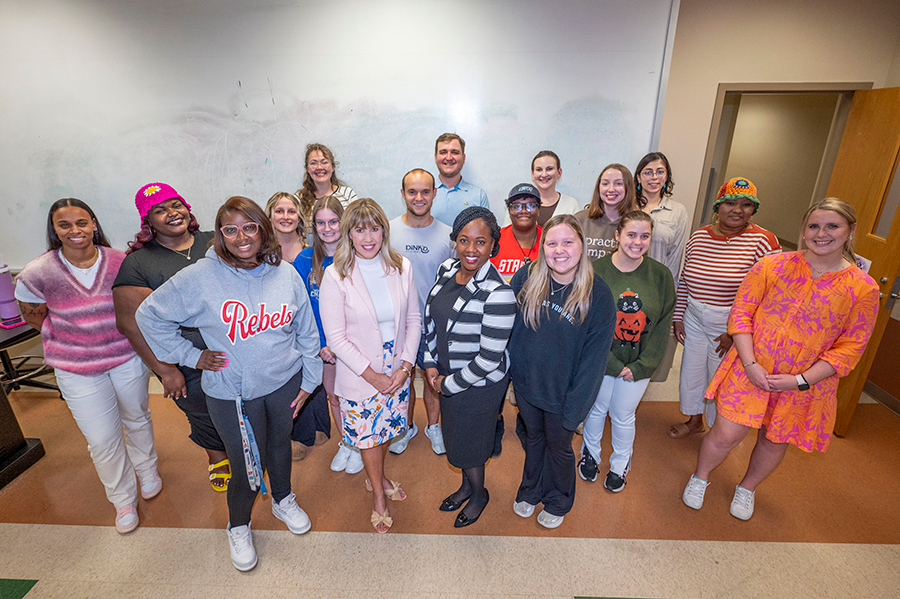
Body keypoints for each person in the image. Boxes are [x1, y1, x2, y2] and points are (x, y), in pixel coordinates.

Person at [136, 196, 322, 571]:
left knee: (278, 447)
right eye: (231, 229)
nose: (242, 237)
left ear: (263, 229)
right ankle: (238, 525)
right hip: (231, 394)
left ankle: (283, 498)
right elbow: (149, 315)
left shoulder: (285, 274)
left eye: (250, 226)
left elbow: (306, 332)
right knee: (245, 466)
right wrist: (191, 356)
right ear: (220, 235)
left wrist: (311, 379)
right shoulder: (200, 277)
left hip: (284, 384)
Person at [682, 198, 878, 521]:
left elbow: (850, 348)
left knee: (773, 440)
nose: (821, 233)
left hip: (803, 384)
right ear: (803, 230)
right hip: (750, 367)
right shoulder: (772, 265)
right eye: (814, 226)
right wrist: (750, 364)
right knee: (726, 433)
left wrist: (800, 381)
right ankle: (700, 476)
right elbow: (741, 314)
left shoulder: (863, 288)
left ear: (850, 231)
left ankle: (747, 488)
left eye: (832, 226)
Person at [15, 199, 159, 534]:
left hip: (125, 356)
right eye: (65, 225)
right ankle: (122, 498)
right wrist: (78, 340)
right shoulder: (38, 272)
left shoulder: (121, 262)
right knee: (101, 437)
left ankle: (147, 468)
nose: (75, 231)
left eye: (82, 223)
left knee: (136, 415)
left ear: (94, 224)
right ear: (55, 230)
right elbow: (33, 315)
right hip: (76, 368)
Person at [113, 183, 229, 492]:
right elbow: (131, 325)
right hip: (184, 358)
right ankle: (217, 457)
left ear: (187, 209)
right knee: (201, 410)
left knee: (239, 406)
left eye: (175, 205)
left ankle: (246, 453)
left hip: (232, 346)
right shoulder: (138, 263)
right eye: (160, 210)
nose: (171, 213)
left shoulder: (214, 242)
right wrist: (165, 370)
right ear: (147, 221)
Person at [319, 198, 421, 534]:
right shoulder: (335, 275)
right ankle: (379, 493)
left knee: (385, 434)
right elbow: (336, 337)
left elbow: (413, 319)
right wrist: (373, 375)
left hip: (396, 371)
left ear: (383, 230)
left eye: (374, 228)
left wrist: (405, 367)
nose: (367, 237)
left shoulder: (401, 266)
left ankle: (377, 475)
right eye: (359, 229)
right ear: (348, 234)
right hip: (361, 374)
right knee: (367, 438)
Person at [509, 215, 616, 528]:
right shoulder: (527, 277)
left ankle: (558, 499)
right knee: (533, 440)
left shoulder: (598, 295)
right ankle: (530, 489)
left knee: (558, 447)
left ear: (582, 246)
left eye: (568, 242)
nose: (559, 250)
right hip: (528, 386)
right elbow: (509, 328)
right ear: (543, 248)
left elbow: (595, 360)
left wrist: (575, 407)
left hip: (565, 393)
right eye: (552, 243)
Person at [422, 206, 516, 528]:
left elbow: (489, 359)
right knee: (456, 438)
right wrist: (431, 363)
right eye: (463, 240)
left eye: (480, 242)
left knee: (471, 444)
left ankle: (479, 495)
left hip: (479, 385)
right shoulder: (447, 269)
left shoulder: (499, 293)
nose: (471, 249)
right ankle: (466, 486)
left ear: (493, 245)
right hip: (446, 374)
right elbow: (432, 320)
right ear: (455, 242)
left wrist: (445, 385)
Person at [668, 178, 781, 439]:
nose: (737, 209)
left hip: (731, 323)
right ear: (718, 206)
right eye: (730, 202)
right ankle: (695, 420)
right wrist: (679, 317)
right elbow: (685, 279)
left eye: (746, 204)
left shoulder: (764, 241)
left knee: (722, 379)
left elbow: (771, 296)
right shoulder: (698, 236)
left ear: (754, 209)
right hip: (694, 317)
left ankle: (720, 433)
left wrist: (737, 333)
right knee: (692, 374)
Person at [579, 211, 676, 492]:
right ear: (617, 235)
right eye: (631, 235)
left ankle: (620, 465)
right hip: (601, 360)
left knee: (623, 414)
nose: (638, 242)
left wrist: (642, 366)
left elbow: (661, 326)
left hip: (638, 364)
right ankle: (590, 455)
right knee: (596, 409)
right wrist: (608, 362)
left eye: (645, 236)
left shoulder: (660, 276)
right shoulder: (596, 271)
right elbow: (587, 323)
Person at [293, 196, 364, 474]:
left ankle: (360, 443)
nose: (327, 228)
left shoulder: (358, 255)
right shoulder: (305, 259)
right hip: (321, 347)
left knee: (355, 396)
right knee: (333, 396)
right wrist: (322, 344)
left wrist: (340, 345)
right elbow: (302, 309)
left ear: (343, 222)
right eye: (320, 223)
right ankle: (347, 442)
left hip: (353, 344)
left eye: (333, 221)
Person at [389, 168, 455, 456]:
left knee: (432, 378)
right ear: (403, 194)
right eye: (412, 191)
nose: (419, 197)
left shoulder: (448, 235)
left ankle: (433, 426)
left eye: (425, 191)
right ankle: (404, 426)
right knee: (402, 380)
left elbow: (456, 280)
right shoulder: (387, 231)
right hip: (397, 324)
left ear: (434, 194)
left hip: (434, 323)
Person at [635, 152, 688, 383]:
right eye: (648, 172)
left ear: (667, 176)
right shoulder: (626, 205)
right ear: (638, 177)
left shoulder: (677, 211)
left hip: (656, 290)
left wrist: (671, 301)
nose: (653, 177)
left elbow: (675, 259)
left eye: (660, 171)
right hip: (625, 286)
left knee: (649, 351)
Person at [574, 163, 639, 260]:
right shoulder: (580, 220)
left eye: (618, 183)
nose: (611, 189)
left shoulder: (637, 223)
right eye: (605, 184)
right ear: (598, 187)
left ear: (628, 188)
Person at [503, 151, 580, 228]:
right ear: (532, 174)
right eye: (539, 169)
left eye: (549, 169)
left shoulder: (571, 204)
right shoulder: (516, 203)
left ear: (559, 173)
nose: (544, 174)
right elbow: (505, 234)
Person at [430, 133, 490, 226]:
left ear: (463, 158)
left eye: (455, 152)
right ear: (435, 157)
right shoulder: (423, 195)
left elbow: (486, 233)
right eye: (443, 152)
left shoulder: (479, 196)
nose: (449, 157)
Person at [492, 183, 543, 282]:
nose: (524, 211)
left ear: (539, 210)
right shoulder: (495, 240)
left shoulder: (549, 239)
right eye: (516, 206)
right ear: (509, 211)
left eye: (531, 205)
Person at [297, 143, 358, 226]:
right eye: (313, 163)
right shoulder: (298, 199)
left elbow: (357, 226)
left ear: (333, 167)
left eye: (324, 162)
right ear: (307, 168)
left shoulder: (348, 194)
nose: (319, 167)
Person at [265, 191, 306, 263]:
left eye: (291, 212)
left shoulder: (312, 246)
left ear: (299, 218)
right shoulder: (262, 251)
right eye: (279, 211)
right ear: (269, 217)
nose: (286, 217)